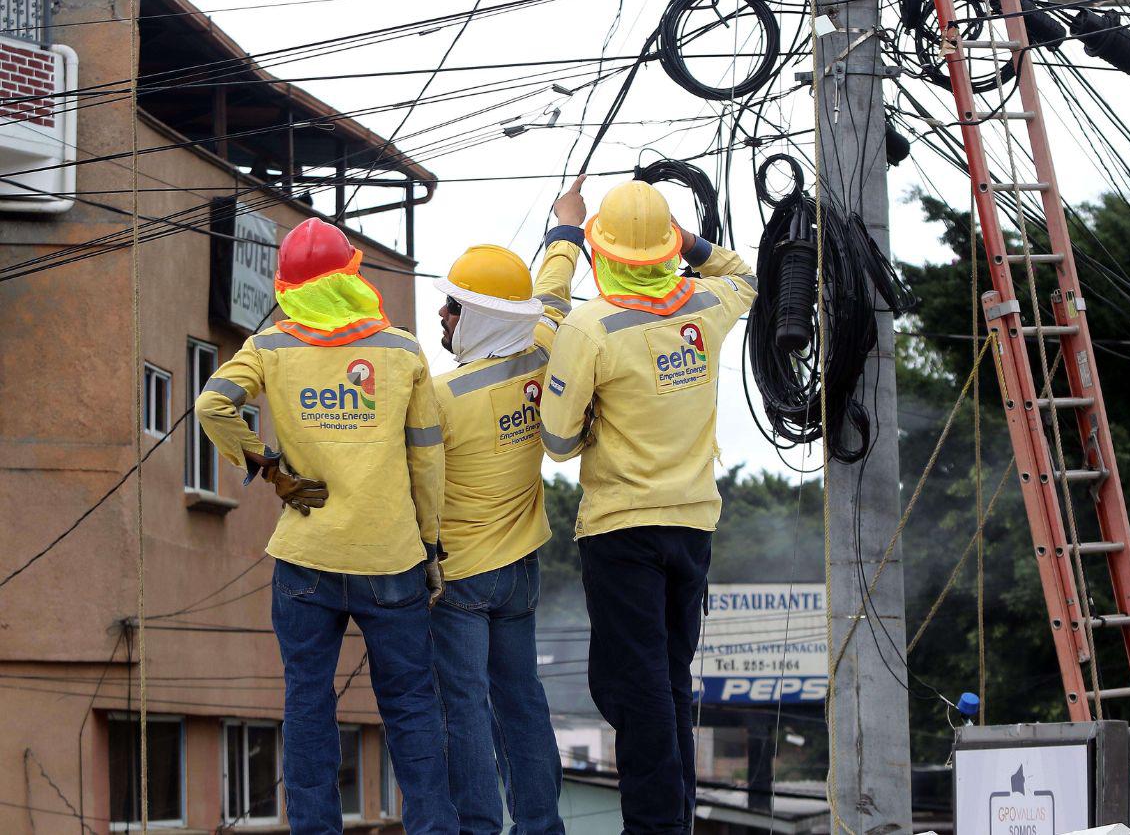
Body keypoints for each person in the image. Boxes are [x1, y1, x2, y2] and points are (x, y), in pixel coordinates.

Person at [195, 218, 457, 835]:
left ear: (287, 285)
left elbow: (212, 404)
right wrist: (432, 545)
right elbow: (426, 456)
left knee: (307, 705)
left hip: (305, 558)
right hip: (391, 559)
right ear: (352, 277)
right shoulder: (401, 351)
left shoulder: (270, 348)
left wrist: (263, 463)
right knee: (412, 706)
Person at [538, 180, 758, 834]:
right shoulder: (708, 303)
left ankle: (656, 825)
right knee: (667, 681)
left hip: (621, 528)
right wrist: (691, 241)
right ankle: (676, 817)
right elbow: (744, 271)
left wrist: (592, 426)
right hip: (693, 524)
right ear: (669, 247)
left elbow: (555, 440)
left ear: (602, 252)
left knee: (633, 689)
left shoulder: (589, 326)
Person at [428, 176, 587, 835]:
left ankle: (477, 829)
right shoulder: (542, 352)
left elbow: (418, 492)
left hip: (460, 577)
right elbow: (551, 289)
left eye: (454, 308)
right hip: (522, 570)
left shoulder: (443, 397)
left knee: (465, 707)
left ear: (481, 317)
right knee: (522, 701)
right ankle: (541, 826)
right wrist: (567, 227)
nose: (443, 316)